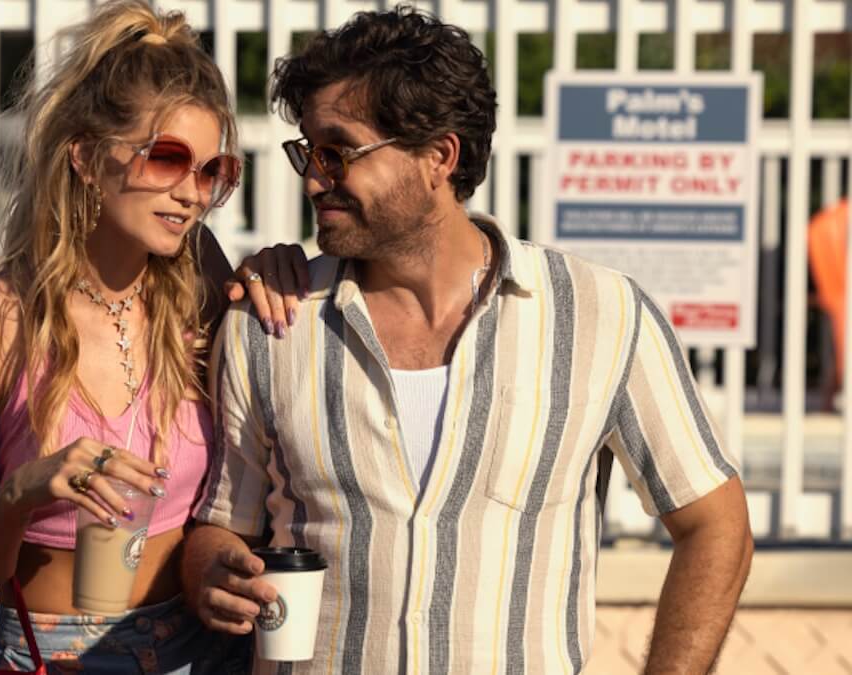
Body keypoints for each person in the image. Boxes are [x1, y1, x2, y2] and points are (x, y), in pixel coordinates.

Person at [183, 7, 754, 674]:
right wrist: (211, 573)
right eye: (307, 151)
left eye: (337, 152)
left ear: (439, 157)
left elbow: (717, 526)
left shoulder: (601, 315)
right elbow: (221, 522)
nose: (313, 178)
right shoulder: (272, 322)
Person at [0, 1, 304, 671]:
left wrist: (271, 271)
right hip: (55, 653)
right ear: (88, 159)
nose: (192, 191)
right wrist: (25, 491)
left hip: (203, 645)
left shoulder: (201, 284)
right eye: (167, 159)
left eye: (213, 171)